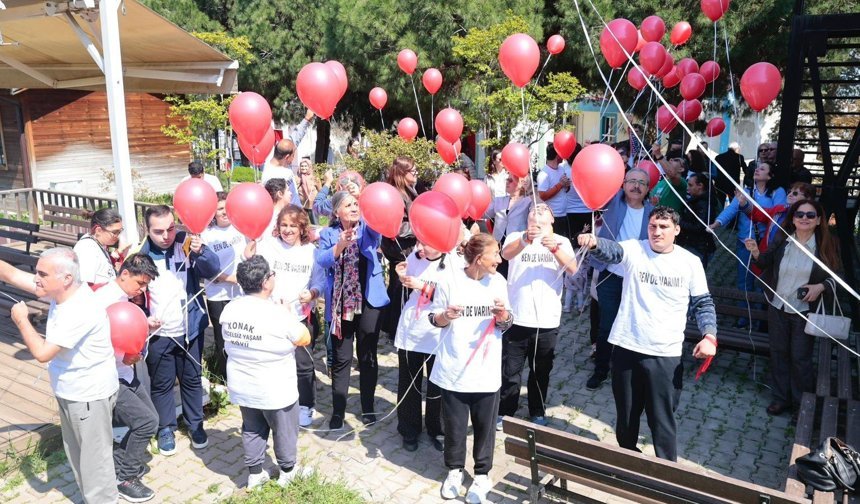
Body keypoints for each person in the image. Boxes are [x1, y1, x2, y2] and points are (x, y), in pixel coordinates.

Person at [578, 206, 717, 461]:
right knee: (627, 417)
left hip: (665, 354)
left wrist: (709, 335)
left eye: (664, 227)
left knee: (662, 420)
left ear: (676, 230)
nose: (657, 232)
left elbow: (703, 302)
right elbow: (613, 251)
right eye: (653, 226)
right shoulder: (635, 249)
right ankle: (628, 463)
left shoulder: (690, 262)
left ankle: (666, 474)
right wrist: (595, 243)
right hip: (627, 347)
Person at [1, 248, 119, 503]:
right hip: (72, 392)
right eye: (36, 272)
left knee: (94, 465)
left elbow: (43, 353)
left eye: (42, 273)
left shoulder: (79, 309)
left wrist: (22, 320)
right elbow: (9, 273)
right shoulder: (62, 290)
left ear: (65, 278)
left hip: (88, 396)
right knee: (78, 456)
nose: (36, 278)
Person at [429, 233, 513, 503]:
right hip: (454, 367)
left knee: (484, 427)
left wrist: (503, 317)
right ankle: (454, 471)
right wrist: (446, 315)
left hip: (486, 370)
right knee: (454, 427)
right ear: (479, 258)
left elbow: (508, 321)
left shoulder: (498, 282)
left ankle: (482, 475)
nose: (499, 260)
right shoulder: (449, 280)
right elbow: (434, 318)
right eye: (495, 254)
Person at [220, 255, 313, 488]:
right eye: (271, 274)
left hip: (242, 384)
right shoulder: (277, 313)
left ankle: (255, 474)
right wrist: (288, 313)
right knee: (284, 430)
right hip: (275, 387)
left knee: (251, 428)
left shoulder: (230, 309)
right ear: (265, 283)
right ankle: (288, 471)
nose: (273, 277)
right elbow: (304, 337)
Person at [745, 199, 840, 416]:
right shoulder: (782, 239)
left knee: (800, 358)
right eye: (800, 214)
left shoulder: (827, 244)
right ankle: (781, 398)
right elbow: (764, 263)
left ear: (818, 220)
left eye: (810, 215)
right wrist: (755, 253)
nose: (804, 218)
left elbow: (839, 278)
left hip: (804, 310)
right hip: (777, 305)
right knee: (779, 353)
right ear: (793, 218)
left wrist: (821, 286)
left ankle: (802, 405)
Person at [140, 205, 220, 455]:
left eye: (171, 228)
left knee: (192, 380)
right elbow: (131, 294)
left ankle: (196, 425)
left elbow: (212, 270)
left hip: (190, 328)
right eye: (159, 231)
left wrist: (202, 252)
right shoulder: (140, 256)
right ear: (147, 230)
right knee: (162, 384)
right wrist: (144, 319)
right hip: (159, 333)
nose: (167, 235)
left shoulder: (186, 242)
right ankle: (166, 428)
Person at [315, 191, 390, 429]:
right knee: (342, 358)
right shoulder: (328, 234)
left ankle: (368, 407)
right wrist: (341, 244)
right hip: (341, 304)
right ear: (337, 211)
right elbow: (323, 260)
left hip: (369, 302)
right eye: (348, 205)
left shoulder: (367, 228)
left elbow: (375, 239)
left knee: (368, 355)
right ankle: (338, 411)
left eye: (356, 204)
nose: (354, 208)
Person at [498, 205, 577, 428]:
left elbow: (573, 269)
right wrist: (524, 239)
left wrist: (555, 250)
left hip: (547, 319)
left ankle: (537, 411)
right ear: (528, 217)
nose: (538, 210)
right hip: (517, 317)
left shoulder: (561, 241)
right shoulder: (516, 235)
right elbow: (505, 254)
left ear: (552, 218)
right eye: (534, 209)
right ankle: (506, 412)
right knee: (510, 372)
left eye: (544, 210)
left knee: (541, 370)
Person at [247, 205, 325, 427]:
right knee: (273, 361)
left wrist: (312, 293)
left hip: (300, 317)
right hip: (272, 317)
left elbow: (320, 282)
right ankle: (275, 402)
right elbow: (253, 265)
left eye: (293, 226)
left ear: (302, 228)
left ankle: (306, 405)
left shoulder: (312, 252)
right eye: (283, 225)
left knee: (304, 365)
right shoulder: (269, 246)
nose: (288, 230)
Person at [92, 253, 160, 502]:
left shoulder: (122, 297)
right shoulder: (104, 302)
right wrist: (123, 355)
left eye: (145, 285)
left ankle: (119, 467)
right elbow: (93, 342)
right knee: (146, 423)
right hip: (109, 376)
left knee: (150, 418)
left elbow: (124, 329)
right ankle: (126, 479)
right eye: (140, 283)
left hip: (125, 371)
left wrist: (145, 324)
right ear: (124, 274)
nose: (141, 290)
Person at [586, 168, 654, 390]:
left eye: (641, 183)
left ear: (648, 188)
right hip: (611, 276)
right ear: (623, 184)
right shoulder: (613, 202)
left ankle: (628, 370)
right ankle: (601, 370)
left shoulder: (653, 213)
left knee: (634, 324)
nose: (636, 186)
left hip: (638, 279)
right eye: (631, 181)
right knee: (607, 325)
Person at [393, 241, 463, 452]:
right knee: (409, 382)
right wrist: (402, 276)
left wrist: (422, 286)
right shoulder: (415, 257)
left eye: (426, 244)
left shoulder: (454, 262)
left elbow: (453, 298)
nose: (420, 248)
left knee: (437, 384)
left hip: (438, 332)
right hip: (412, 330)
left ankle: (437, 428)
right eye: (418, 242)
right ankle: (409, 429)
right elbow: (409, 284)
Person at [710, 162, 787, 327]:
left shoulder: (777, 192)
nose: (757, 170)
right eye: (757, 168)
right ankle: (744, 315)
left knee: (762, 282)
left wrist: (748, 206)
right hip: (745, 242)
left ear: (770, 175)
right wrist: (716, 224)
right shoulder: (747, 191)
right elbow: (731, 210)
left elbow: (776, 214)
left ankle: (759, 318)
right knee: (744, 281)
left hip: (766, 245)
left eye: (762, 169)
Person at [201, 192, 245, 384]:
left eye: (227, 207)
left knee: (242, 335)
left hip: (242, 292)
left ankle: (244, 374)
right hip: (218, 295)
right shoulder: (207, 235)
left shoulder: (241, 228)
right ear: (213, 213)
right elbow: (207, 269)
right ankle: (228, 379)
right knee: (223, 338)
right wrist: (231, 278)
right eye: (220, 209)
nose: (224, 212)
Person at [381, 156, 420, 340]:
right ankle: (395, 328)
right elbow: (397, 226)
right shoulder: (395, 194)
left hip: (407, 247)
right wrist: (419, 229)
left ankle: (392, 324)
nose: (416, 173)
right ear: (402, 174)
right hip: (400, 248)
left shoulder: (409, 190)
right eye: (413, 171)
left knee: (400, 287)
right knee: (399, 289)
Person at [739, 182, 815, 257]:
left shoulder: (808, 220)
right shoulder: (780, 209)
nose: (790, 194)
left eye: (795, 193)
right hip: (767, 255)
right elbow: (760, 214)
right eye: (789, 192)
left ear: (808, 198)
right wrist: (744, 203)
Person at [483, 175, 533, 277]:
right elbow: (483, 213)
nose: (507, 182)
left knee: (513, 274)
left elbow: (539, 209)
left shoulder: (528, 201)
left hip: (516, 244)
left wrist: (530, 190)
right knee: (496, 274)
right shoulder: (498, 200)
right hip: (498, 244)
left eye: (510, 180)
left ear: (521, 184)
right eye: (507, 179)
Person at [73, 207, 127, 286]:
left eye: (120, 231)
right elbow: (84, 286)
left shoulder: (98, 244)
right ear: (98, 230)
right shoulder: (87, 249)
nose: (118, 236)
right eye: (115, 232)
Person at [678, 173, 718, 269]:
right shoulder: (696, 200)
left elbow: (700, 227)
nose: (687, 188)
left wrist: (678, 222)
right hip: (694, 244)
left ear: (700, 186)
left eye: (691, 185)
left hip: (699, 247)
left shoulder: (703, 203)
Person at [537, 144, 570, 235]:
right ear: (557, 155)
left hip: (564, 214)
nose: (563, 156)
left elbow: (565, 189)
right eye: (561, 153)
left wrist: (567, 185)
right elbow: (543, 196)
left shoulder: (561, 169)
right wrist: (560, 185)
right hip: (552, 216)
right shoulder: (544, 174)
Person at [563, 145, 592, 241]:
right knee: (587, 244)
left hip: (570, 211)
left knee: (573, 242)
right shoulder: (589, 170)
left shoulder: (564, 171)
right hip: (587, 211)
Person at [713, 142, 745, 209]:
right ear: (736, 149)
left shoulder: (718, 157)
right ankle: (733, 219)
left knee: (719, 204)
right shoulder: (739, 157)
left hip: (720, 184)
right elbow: (745, 170)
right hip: (733, 185)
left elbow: (714, 171)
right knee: (734, 205)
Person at [296, 157, 322, 223]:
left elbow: (321, 191)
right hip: (301, 205)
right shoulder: (297, 178)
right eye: (302, 166)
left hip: (312, 205)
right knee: (301, 224)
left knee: (315, 224)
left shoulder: (314, 177)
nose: (303, 168)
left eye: (305, 166)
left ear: (309, 167)